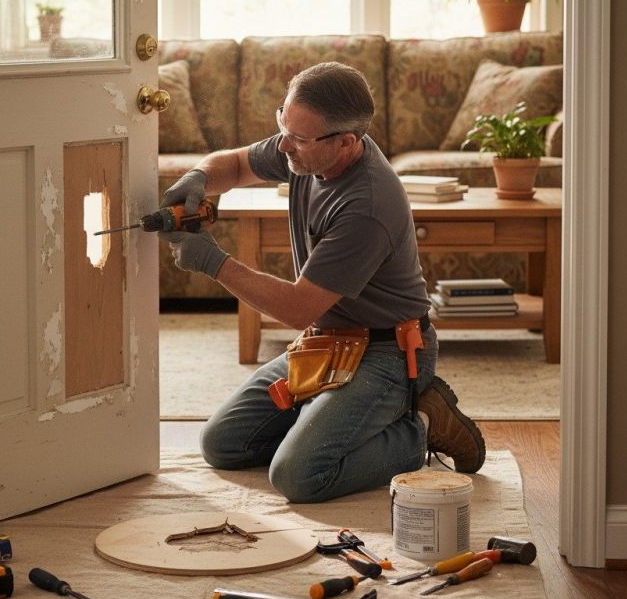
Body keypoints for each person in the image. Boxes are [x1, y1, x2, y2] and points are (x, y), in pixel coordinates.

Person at [160, 62, 485, 503]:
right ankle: (331, 424)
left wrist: (214, 262)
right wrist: (199, 177)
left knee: (298, 476)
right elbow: (235, 165)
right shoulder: (305, 147)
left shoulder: (367, 205)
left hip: (387, 352)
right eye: (283, 124)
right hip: (326, 342)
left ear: (346, 142)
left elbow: (298, 308)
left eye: (297, 138)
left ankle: (422, 427)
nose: (283, 145)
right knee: (223, 445)